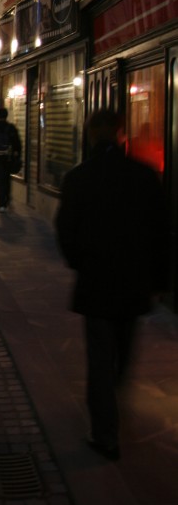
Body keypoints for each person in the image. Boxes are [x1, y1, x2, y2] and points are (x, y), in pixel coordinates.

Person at [55, 109, 170, 461]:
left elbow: (66, 230)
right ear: (121, 133)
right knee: (122, 348)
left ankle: (106, 432)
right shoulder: (145, 176)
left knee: (100, 355)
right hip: (135, 282)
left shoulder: (78, 177)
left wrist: (80, 263)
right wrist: (159, 279)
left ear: (90, 135)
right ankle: (113, 400)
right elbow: (161, 232)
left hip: (97, 281)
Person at [0, 106, 21, 211]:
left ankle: (1, 204)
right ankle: (7, 198)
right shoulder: (11, 128)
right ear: (6, 116)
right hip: (8, 158)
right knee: (7, 179)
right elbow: (17, 143)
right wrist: (17, 155)